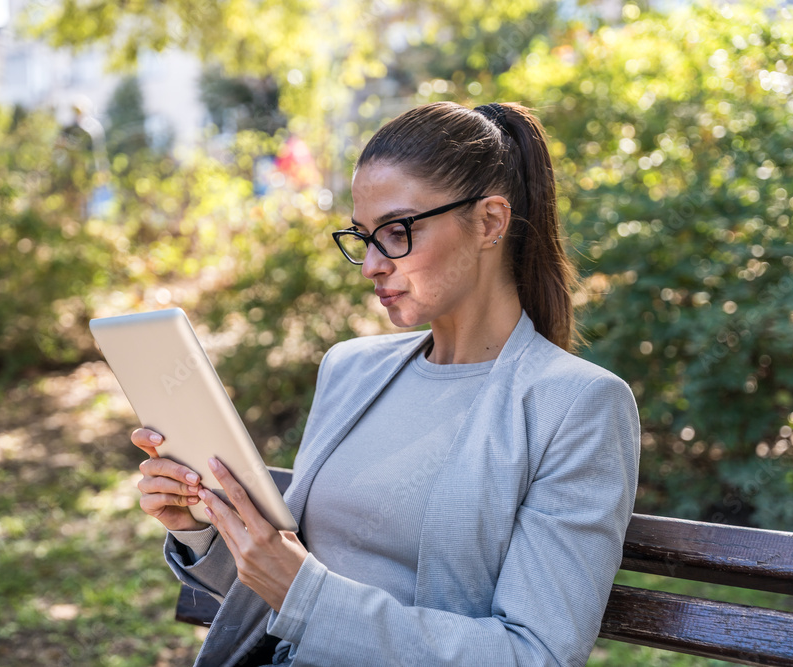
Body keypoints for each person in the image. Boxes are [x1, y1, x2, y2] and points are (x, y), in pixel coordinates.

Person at [133, 101, 641, 666]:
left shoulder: (577, 405)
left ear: (491, 222)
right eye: (362, 235)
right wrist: (202, 527)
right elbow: (284, 594)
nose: (372, 262)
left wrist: (303, 594)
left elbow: (535, 655)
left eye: (396, 232)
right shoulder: (351, 369)